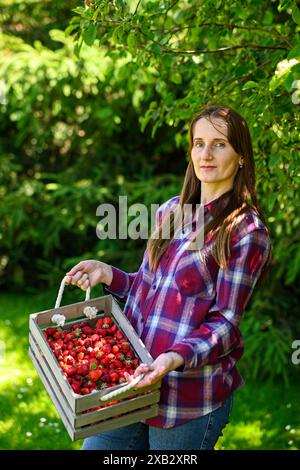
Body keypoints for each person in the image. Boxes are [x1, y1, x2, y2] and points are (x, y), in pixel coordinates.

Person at [65, 105, 272, 450]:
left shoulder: (245, 232)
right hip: (130, 383)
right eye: (199, 143)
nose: (206, 154)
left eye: (219, 144)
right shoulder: (170, 211)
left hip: (186, 399)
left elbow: (225, 324)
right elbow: (149, 291)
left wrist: (172, 358)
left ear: (240, 157)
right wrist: (108, 274)